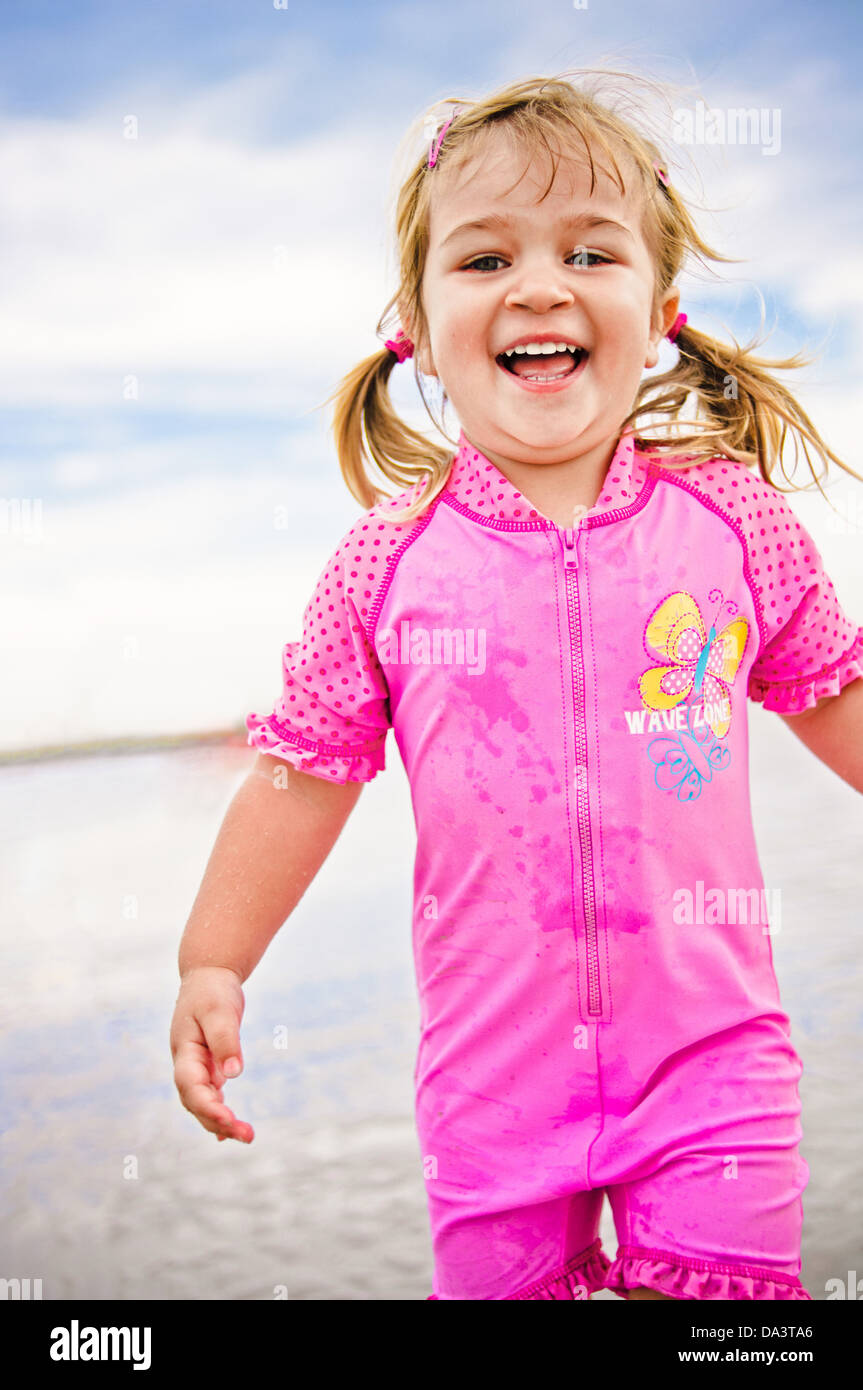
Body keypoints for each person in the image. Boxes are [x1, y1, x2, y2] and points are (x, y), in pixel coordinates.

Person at [171, 70, 863, 1301]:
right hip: (492, 1089)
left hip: (714, 1069)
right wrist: (211, 960)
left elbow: (834, 693)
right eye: (484, 260)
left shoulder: (729, 524)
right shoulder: (388, 562)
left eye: (588, 252)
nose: (538, 284)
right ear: (417, 316)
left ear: (658, 310)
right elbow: (299, 775)